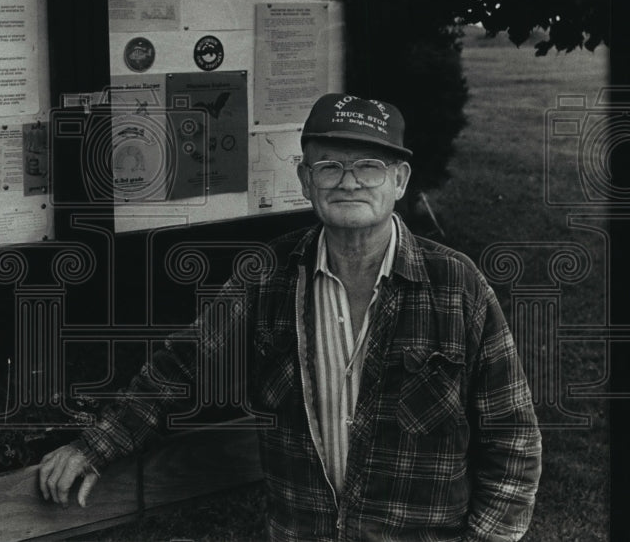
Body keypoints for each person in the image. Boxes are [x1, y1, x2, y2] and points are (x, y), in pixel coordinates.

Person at [39, 93, 542, 541]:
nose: (349, 183)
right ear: (306, 181)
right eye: (329, 167)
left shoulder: (457, 286)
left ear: (400, 181)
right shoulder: (267, 276)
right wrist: (94, 447)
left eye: (368, 167)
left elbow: (513, 437)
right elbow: (185, 366)